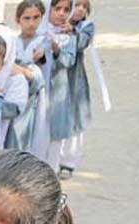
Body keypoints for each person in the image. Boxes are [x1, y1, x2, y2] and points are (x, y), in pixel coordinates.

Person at [59, 0, 100, 179]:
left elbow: (82, 42)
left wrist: (72, 31)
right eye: (77, 5)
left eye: (84, 7)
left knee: (75, 121)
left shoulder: (86, 27)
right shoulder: (54, 23)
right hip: (55, 79)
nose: (80, 10)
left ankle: (68, 162)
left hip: (75, 81)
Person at [12, 0, 51, 160]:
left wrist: (43, 53)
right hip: (15, 94)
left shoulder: (44, 41)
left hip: (35, 96)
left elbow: (45, 59)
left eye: (36, 18)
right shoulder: (13, 41)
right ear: (18, 19)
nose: (31, 23)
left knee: (34, 133)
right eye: (26, 18)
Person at [44, 0, 77, 173]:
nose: (62, 13)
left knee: (55, 140)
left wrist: (57, 49)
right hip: (40, 96)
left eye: (66, 9)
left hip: (58, 95)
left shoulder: (69, 37)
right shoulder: (40, 32)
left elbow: (69, 60)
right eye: (57, 9)